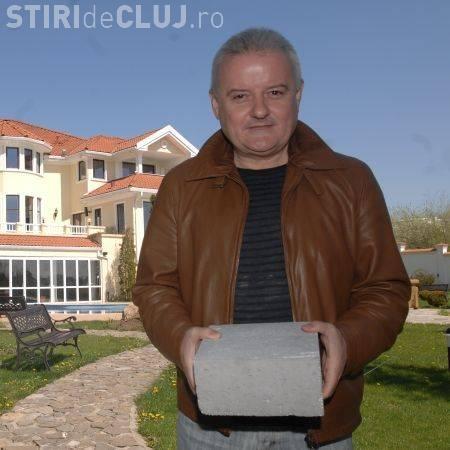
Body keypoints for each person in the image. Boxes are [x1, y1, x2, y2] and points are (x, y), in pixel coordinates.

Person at [132, 27, 410, 449]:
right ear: (216, 105)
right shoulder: (181, 186)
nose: (259, 110)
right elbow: (155, 287)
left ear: (298, 94)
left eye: (275, 92)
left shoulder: (351, 181)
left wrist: (347, 340)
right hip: (209, 431)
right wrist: (180, 335)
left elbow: (385, 289)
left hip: (319, 430)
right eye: (240, 96)